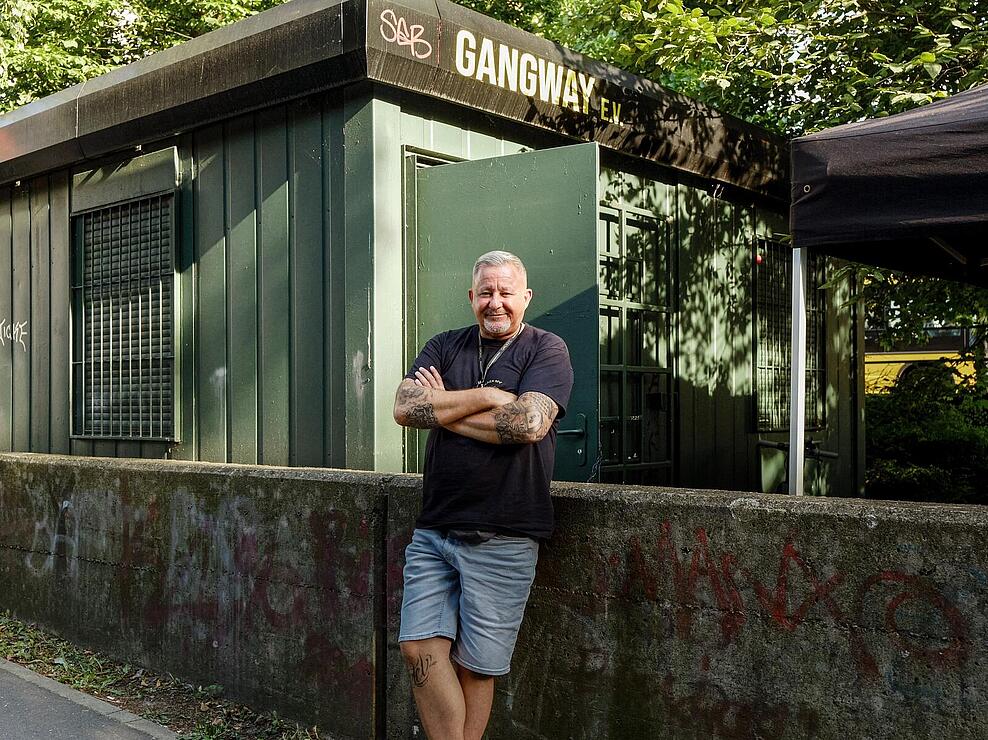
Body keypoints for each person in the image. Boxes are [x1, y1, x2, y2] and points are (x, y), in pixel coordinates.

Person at [393, 250, 574, 740]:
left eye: (506, 292)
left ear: (525, 297)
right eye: (486, 292)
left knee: (477, 668)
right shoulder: (445, 346)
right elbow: (406, 408)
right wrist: (490, 398)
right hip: (435, 529)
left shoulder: (547, 349)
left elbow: (528, 424)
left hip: (506, 534)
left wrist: (446, 408)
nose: (496, 302)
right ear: (472, 297)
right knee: (417, 647)